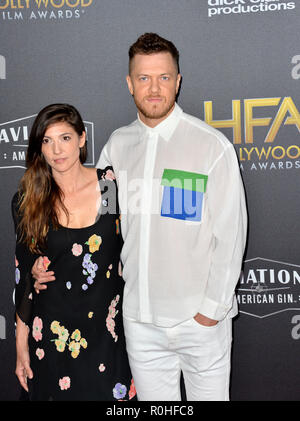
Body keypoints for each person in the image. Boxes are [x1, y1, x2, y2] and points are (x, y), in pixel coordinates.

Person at [33, 33, 247, 401]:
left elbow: (231, 233)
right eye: (144, 78)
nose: (154, 88)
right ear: (129, 83)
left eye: (164, 77)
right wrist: (45, 263)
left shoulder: (210, 145)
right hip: (139, 323)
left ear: (178, 82)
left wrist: (211, 311)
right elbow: (91, 226)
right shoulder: (117, 146)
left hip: (199, 322)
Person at [12, 103, 135, 401]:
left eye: (65, 138)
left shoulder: (108, 186)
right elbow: (24, 279)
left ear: (82, 139)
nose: (57, 149)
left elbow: (128, 247)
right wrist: (20, 347)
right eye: (47, 140)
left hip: (108, 337)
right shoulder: (29, 200)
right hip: (52, 340)